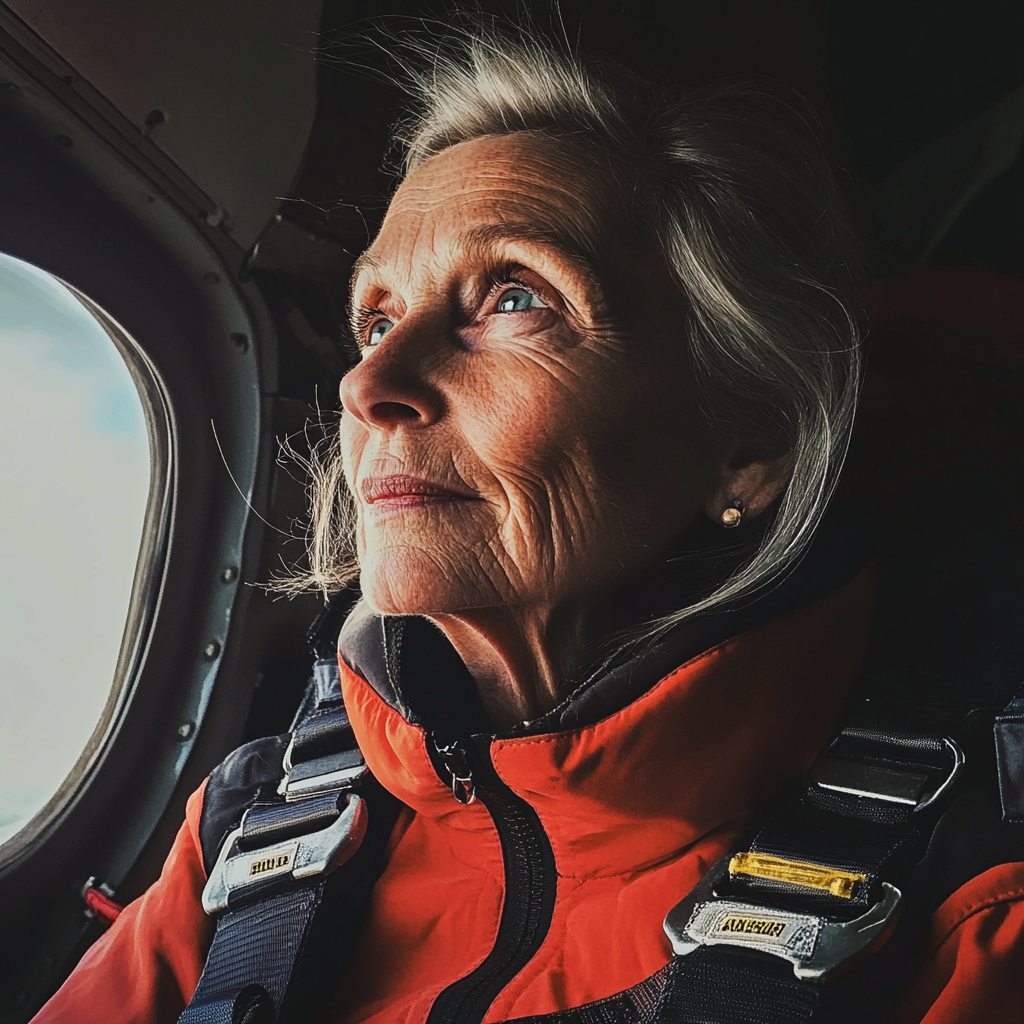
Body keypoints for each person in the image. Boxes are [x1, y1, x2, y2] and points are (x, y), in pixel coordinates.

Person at [32, 24, 1024, 1024]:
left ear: (747, 441)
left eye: (513, 297)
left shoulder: (972, 904)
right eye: (375, 318)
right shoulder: (248, 827)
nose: (371, 382)